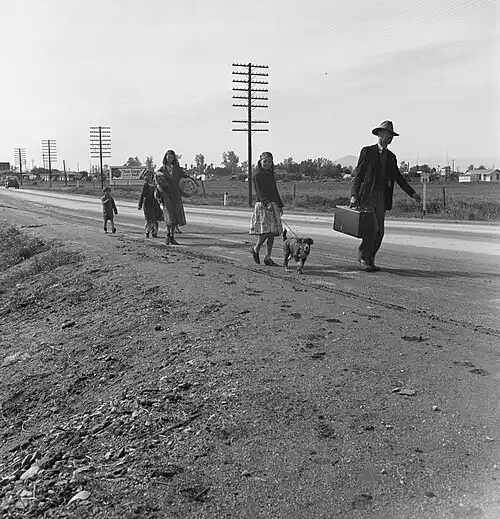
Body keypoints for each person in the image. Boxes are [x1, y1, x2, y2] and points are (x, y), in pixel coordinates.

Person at [350, 120, 421, 272]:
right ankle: (363, 257)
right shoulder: (367, 152)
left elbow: (398, 177)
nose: (390, 139)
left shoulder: (391, 157)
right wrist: (354, 195)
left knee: (380, 232)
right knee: (371, 229)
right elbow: (359, 175)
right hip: (368, 197)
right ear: (380, 135)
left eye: (392, 136)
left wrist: (412, 193)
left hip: (382, 197)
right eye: (388, 135)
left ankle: (371, 259)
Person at [250, 151, 284, 266]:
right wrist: (267, 203)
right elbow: (260, 192)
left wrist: (280, 205)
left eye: (269, 162)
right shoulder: (257, 175)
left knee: (272, 233)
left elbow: (275, 192)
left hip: (273, 205)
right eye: (265, 161)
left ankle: (268, 257)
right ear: (260, 161)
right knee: (265, 232)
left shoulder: (270, 175)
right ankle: (255, 249)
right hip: (263, 206)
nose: (267, 164)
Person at [155, 150, 188, 245]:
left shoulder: (178, 169)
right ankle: (167, 235)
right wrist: (159, 189)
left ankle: (171, 236)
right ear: (165, 157)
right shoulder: (161, 170)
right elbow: (157, 182)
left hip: (176, 195)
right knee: (169, 217)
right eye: (168, 157)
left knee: (176, 217)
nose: (170, 159)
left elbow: (185, 177)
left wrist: (188, 182)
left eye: (172, 157)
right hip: (166, 196)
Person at [138, 170, 163, 238]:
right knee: (149, 219)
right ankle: (147, 231)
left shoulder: (156, 183)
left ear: (152, 175)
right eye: (147, 175)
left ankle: (155, 232)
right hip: (147, 204)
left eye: (150, 175)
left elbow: (160, 192)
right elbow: (142, 195)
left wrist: (161, 199)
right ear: (145, 177)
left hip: (155, 204)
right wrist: (140, 205)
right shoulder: (145, 185)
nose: (149, 176)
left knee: (155, 219)